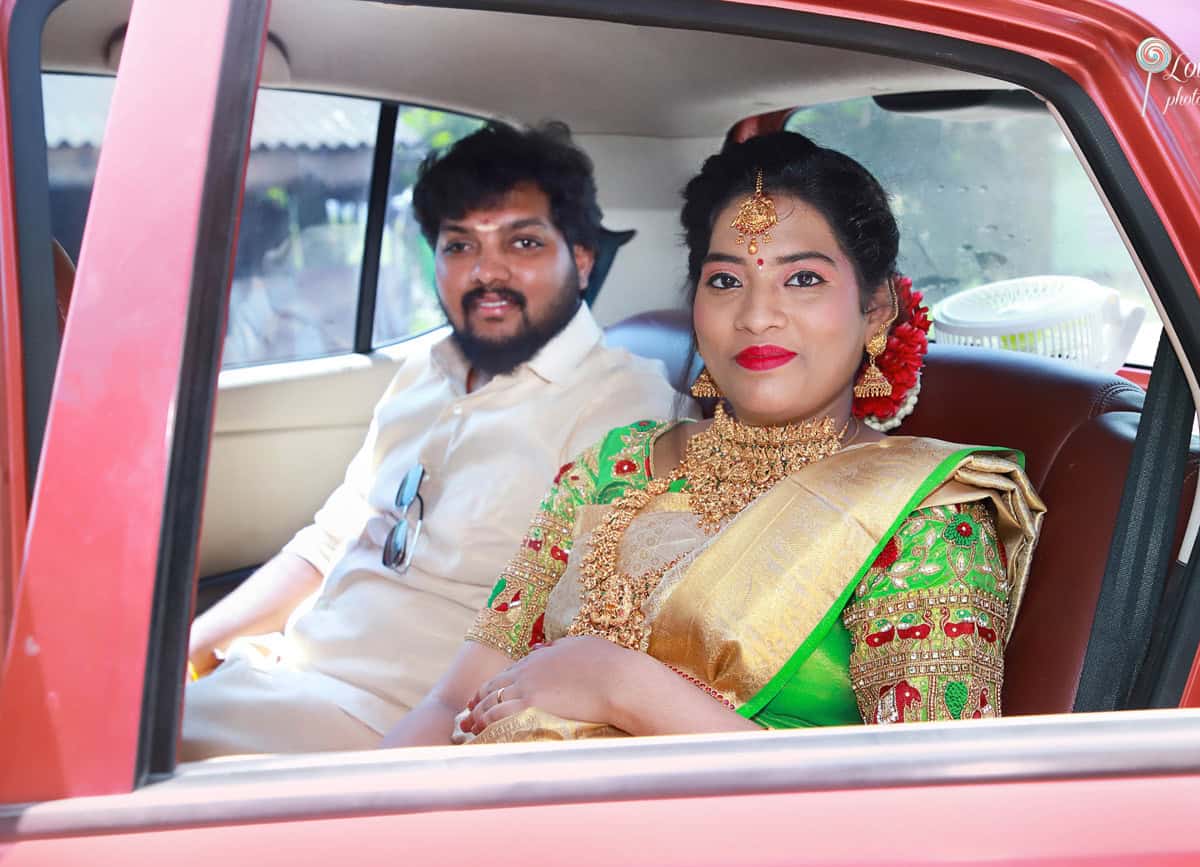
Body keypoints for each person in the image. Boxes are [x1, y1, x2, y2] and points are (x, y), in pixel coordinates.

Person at [384, 131, 1047, 748]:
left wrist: (624, 685)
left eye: (803, 279)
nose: (757, 315)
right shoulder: (613, 465)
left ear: (875, 309)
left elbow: (927, 807)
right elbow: (451, 705)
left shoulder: (924, 518)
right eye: (726, 280)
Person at [181, 122, 679, 759]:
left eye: (522, 242)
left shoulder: (623, 406)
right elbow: (330, 543)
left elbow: (580, 631)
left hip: (399, 724)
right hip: (284, 672)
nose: (487, 271)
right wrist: (186, 646)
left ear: (581, 259)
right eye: (460, 245)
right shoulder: (424, 371)